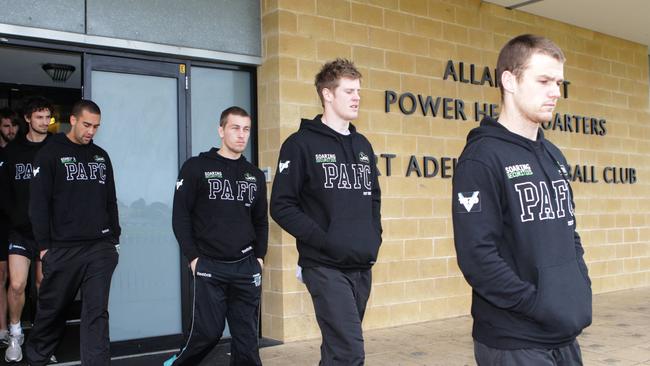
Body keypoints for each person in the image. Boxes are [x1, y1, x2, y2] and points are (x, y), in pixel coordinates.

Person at [452, 34, 591, 366]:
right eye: (543, 80)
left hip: (562, 335)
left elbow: (569, 234)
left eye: (558, 82)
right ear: (509, 81)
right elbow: (477, 257)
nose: (556, 92)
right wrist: (537, 304)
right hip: (514, 341)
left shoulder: (554, 155)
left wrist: (578, 288)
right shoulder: (481, 159)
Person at [270, 58, 382, 365]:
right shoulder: (300, 144)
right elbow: (280, 205)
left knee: (336, 351)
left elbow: (373, 197)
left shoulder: (362, 146)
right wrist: (323, 240)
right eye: (348, 91)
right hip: (324, 265)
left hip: (361, 265)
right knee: (350, 352)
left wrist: (374, 237)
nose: (357, 97)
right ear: (327, 95)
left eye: (358, 90)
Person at [165, 106, 268, 366]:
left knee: (247, 339)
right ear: (221, 130)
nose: (241, 135)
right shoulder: (196, 167)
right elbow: (180, 217)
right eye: (235, 128)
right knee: (207, 334)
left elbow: (260, 221)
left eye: (246, 129)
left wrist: (260, 258)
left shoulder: (253, 175)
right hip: (209, 265)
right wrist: (193, 258)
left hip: (245, 266)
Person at [25, 99, 120, 366]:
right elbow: (38, 204)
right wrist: (45, 248)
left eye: (96, 127)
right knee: (52, 311)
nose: (91, 131)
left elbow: (110, 199)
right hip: (63, 248)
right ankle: (37, 357)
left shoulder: (101, 156)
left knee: (96, 313)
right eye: (87, 125)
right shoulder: (50, 153)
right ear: (74, 120)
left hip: (100, 247)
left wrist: (115, 238)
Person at [0, 98, 53, 362]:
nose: (45, 122)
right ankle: (15, 335)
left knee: (44, 286)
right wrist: (17, 218)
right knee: (18, 284)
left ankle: (43, 341)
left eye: (48, 117)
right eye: (40, 117)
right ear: (28, 119)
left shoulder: (55, 148)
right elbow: (4, 193)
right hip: (20, 231)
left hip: (48, 234)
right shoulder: (12, 152)